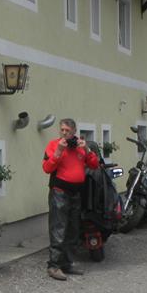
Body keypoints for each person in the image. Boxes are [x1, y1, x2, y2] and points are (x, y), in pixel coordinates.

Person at [41, 119, 99, 281]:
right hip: (59, 192)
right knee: (58, 229)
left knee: (73, 230)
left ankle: (66, 263)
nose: (64, 133)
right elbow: (46, 168)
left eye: (67, 130)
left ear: (74, 131)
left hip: (76, 193)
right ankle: (53, 266)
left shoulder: (80, 147)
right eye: (62, 130)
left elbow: (94, 165)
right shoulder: (54, 145)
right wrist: (59, 151)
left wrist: (86, 149)